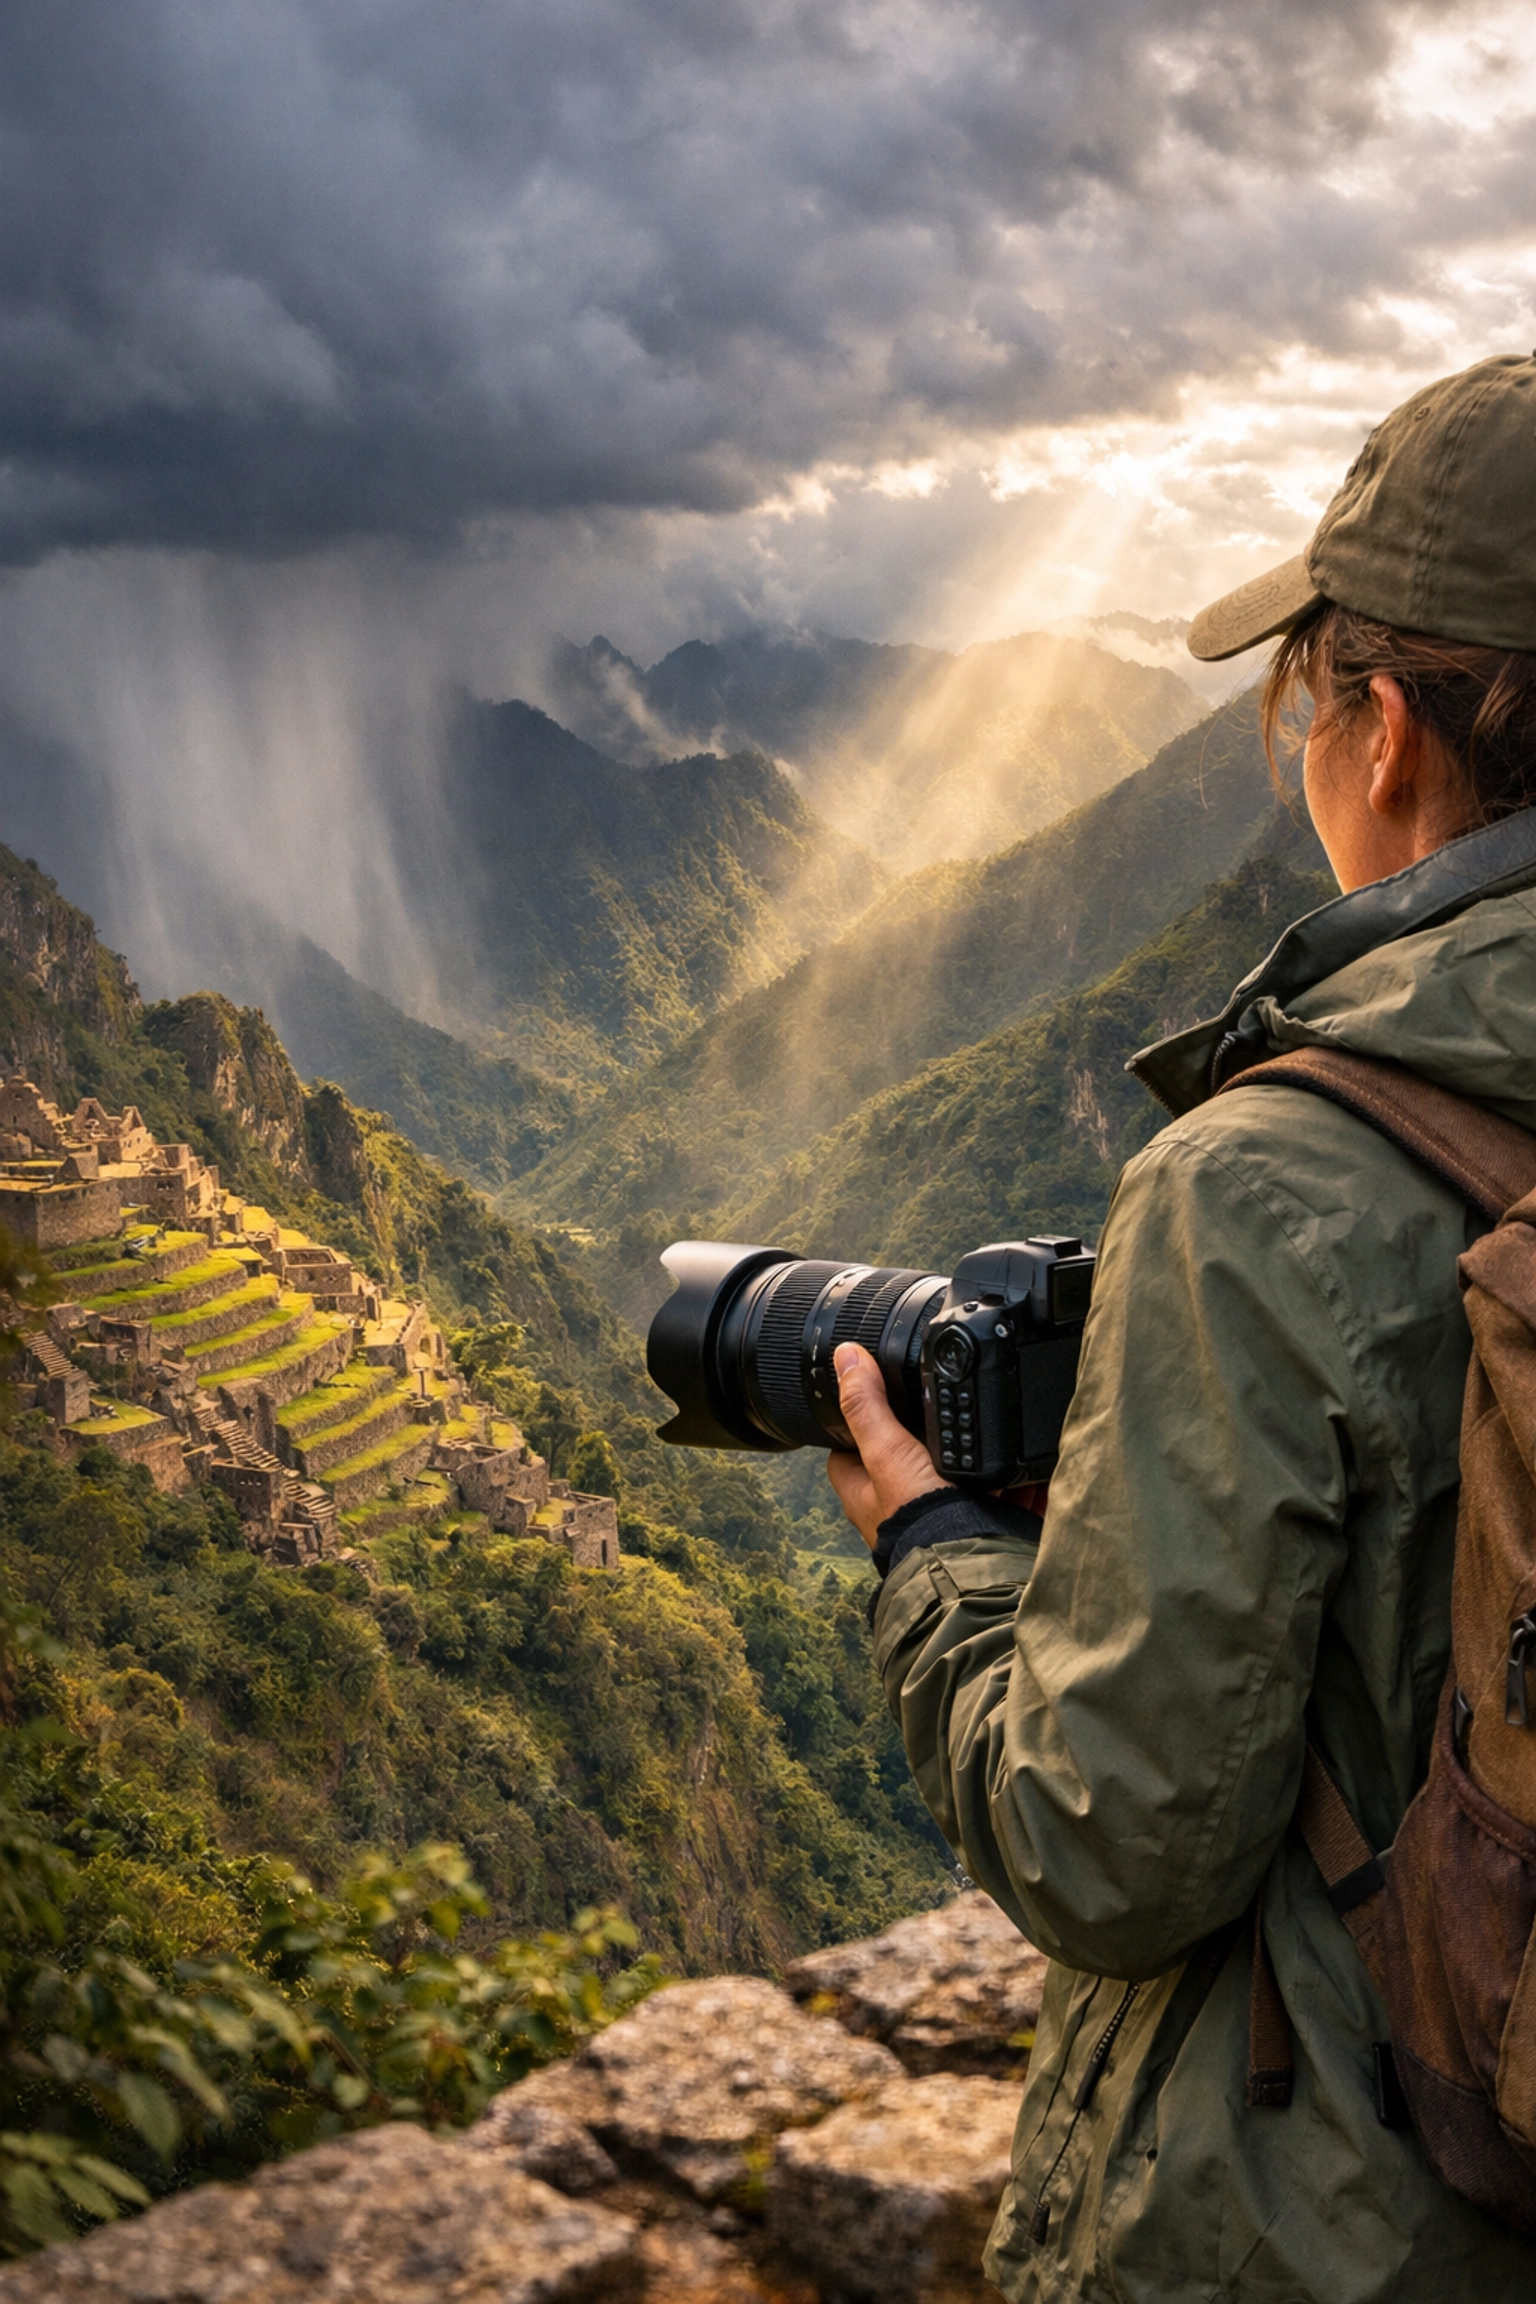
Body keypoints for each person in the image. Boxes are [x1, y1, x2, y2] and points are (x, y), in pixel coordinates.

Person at [827, 351, 1536, 2301]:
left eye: (1299, 693)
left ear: (1384, 729)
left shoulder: (1266, 1189)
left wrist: (935, 1558)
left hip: (1371, 2224)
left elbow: (1112, 1852)